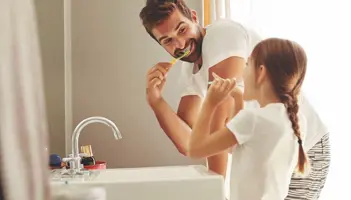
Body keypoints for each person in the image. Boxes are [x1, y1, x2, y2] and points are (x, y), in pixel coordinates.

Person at [139, 0, 331, 199]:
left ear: (194, 18)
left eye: (182, 29)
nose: (180, 44)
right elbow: (190, 143)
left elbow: (220, 118)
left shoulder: (222, 35)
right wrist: (155, 101)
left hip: (303, 148)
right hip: (265, 156)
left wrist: (216, 193)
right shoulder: (190, 68)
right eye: (167, 40)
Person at [188, 37, 309, 200]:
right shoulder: (297, 119)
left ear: (261, 72)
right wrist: (238, 99)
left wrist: (210, 103)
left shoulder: (253, 119)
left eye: (247, 64)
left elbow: (196, 149)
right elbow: (237, 147)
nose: (242, 73)